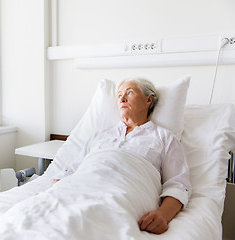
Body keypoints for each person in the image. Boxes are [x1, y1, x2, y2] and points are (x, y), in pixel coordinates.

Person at [53, 78, 191, 235]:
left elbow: (178, 185)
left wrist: (163, 215)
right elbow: (71, 170)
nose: (122, 98)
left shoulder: (164, 138)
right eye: (119, 95)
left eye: (129, 92)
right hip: (78, 189)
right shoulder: (100, 135)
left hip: (121, 194)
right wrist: (50, 193)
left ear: (148, 100)